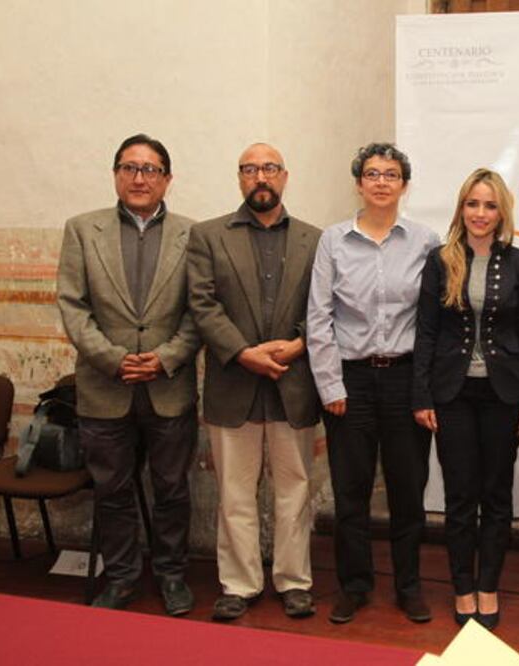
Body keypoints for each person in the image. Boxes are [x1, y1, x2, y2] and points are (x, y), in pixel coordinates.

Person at [57, 134, 200, 614]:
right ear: (116, 174)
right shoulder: (82, 229)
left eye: (151, 169)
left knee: (173, 490)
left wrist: (166, 357)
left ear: (168, 179)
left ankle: (172, 574)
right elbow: (73, 307)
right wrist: (114, 359)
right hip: (104, 387)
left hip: (169, 387)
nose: (140, 178)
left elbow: (199, 311)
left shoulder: (192, 234)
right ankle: (120, 577)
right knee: (112, 491)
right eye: (130, 167)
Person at [307, 142, 440, 624]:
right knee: (351, 492)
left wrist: (426, 389)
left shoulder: (425, 242)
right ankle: (355, 585)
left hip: (406, 380)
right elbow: (318, 316)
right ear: (359, 183)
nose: (381, 181)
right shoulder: (333, 241)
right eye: (371, 173)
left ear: (404, 185)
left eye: (391, 174)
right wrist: (331, 387)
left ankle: (409, 586)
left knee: (408, 491)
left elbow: (432, 323)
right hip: (352, 382)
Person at [187, 143, 321, 621]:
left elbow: (325, 306)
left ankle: (293, 581)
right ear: (239, 178)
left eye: (269, 168)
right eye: (250, 169)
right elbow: (201, 305)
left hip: (294, 381)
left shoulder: (315, 239)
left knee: (294, 491)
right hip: (232, 383)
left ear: (285, 175)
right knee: (235, 493)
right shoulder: (207, 236)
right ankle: (239, 584)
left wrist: (300, 344)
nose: (260, 176)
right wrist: (244, 353)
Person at [411, 168, 519, 630]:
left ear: (501, 212)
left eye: (489, 205)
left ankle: (489, 586)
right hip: (452, 393)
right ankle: (463, 589)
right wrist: (422, 394)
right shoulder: (439, 260)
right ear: (461, 208)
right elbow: (426, 332)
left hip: (503, 394)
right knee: (461, 496)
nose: (480, 214)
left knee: (497, 494)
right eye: (473, 204)